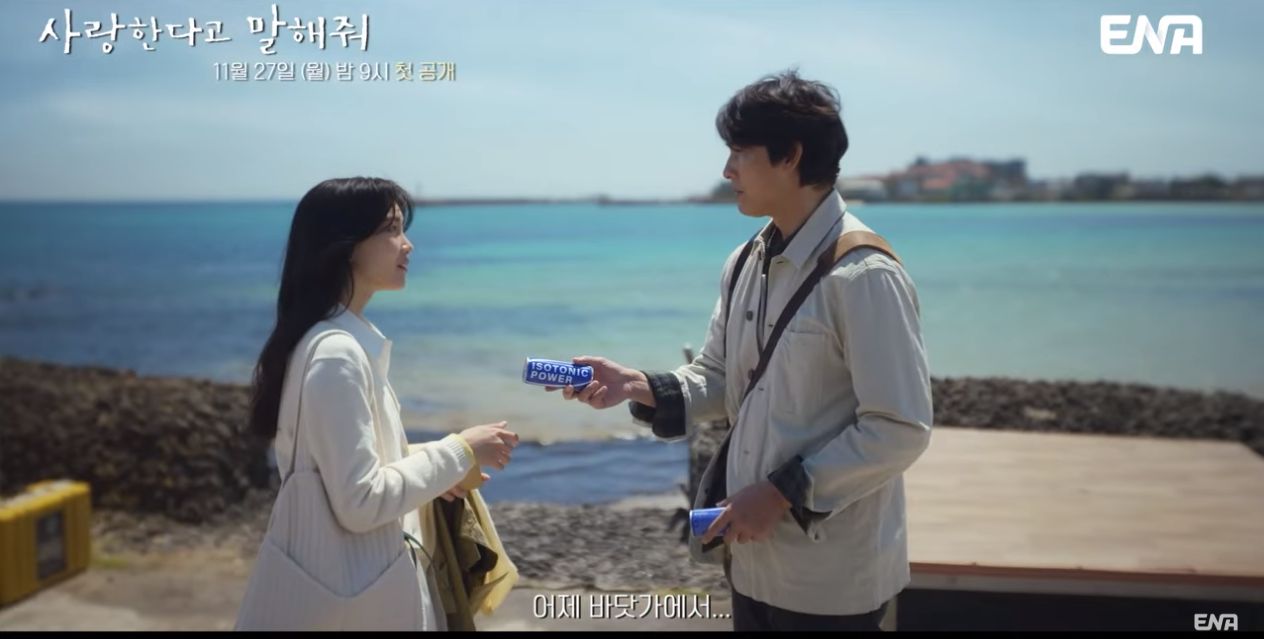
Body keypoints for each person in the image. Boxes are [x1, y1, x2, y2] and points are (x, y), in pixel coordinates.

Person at [549, 70, 933, 631]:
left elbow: (900, 427)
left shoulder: (864, 275)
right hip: (750, 564)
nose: (727, 170)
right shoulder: (746, 261)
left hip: (831, 580)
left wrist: (780, 494)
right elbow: (721, 374)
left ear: (790, 156)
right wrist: (637, 385)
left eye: (739, 153)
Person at [242, 177, 519, 630]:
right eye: (391, 229)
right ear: (346, 246)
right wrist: (460, 451)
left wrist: (440, 463)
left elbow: (342, 469)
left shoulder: (328, 340)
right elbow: (361, 501)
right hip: (357, 603)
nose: (407, 244)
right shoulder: (337, 353)